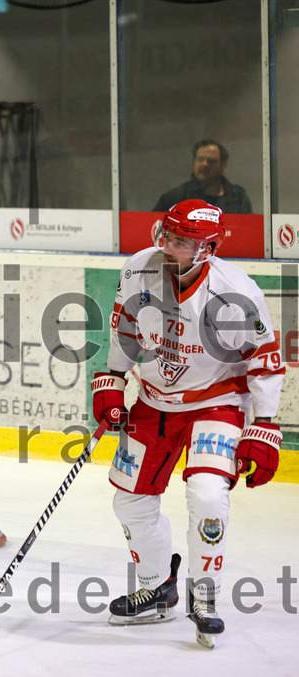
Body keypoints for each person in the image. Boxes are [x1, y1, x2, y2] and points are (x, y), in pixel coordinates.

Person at [92, 199, 284, 647]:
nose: (169, 246)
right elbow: (124, 328)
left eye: (182, 241)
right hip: (156, 400)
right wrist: (111, 379)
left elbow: (265, 361)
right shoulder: (139, 269)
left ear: (209, 247)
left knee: (208, 495)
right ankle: (158, 586)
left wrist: (266, 426)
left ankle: (205, 596)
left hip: (215, 400)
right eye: (167, 234)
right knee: (129, 498)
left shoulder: (236, 293)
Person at [153, 140, 252, 214]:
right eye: (200, 160)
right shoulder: (175, 198)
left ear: (223, 165)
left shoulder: (238, 198)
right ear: (193, 163)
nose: (205, 164)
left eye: (211, 161)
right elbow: (153, 229)